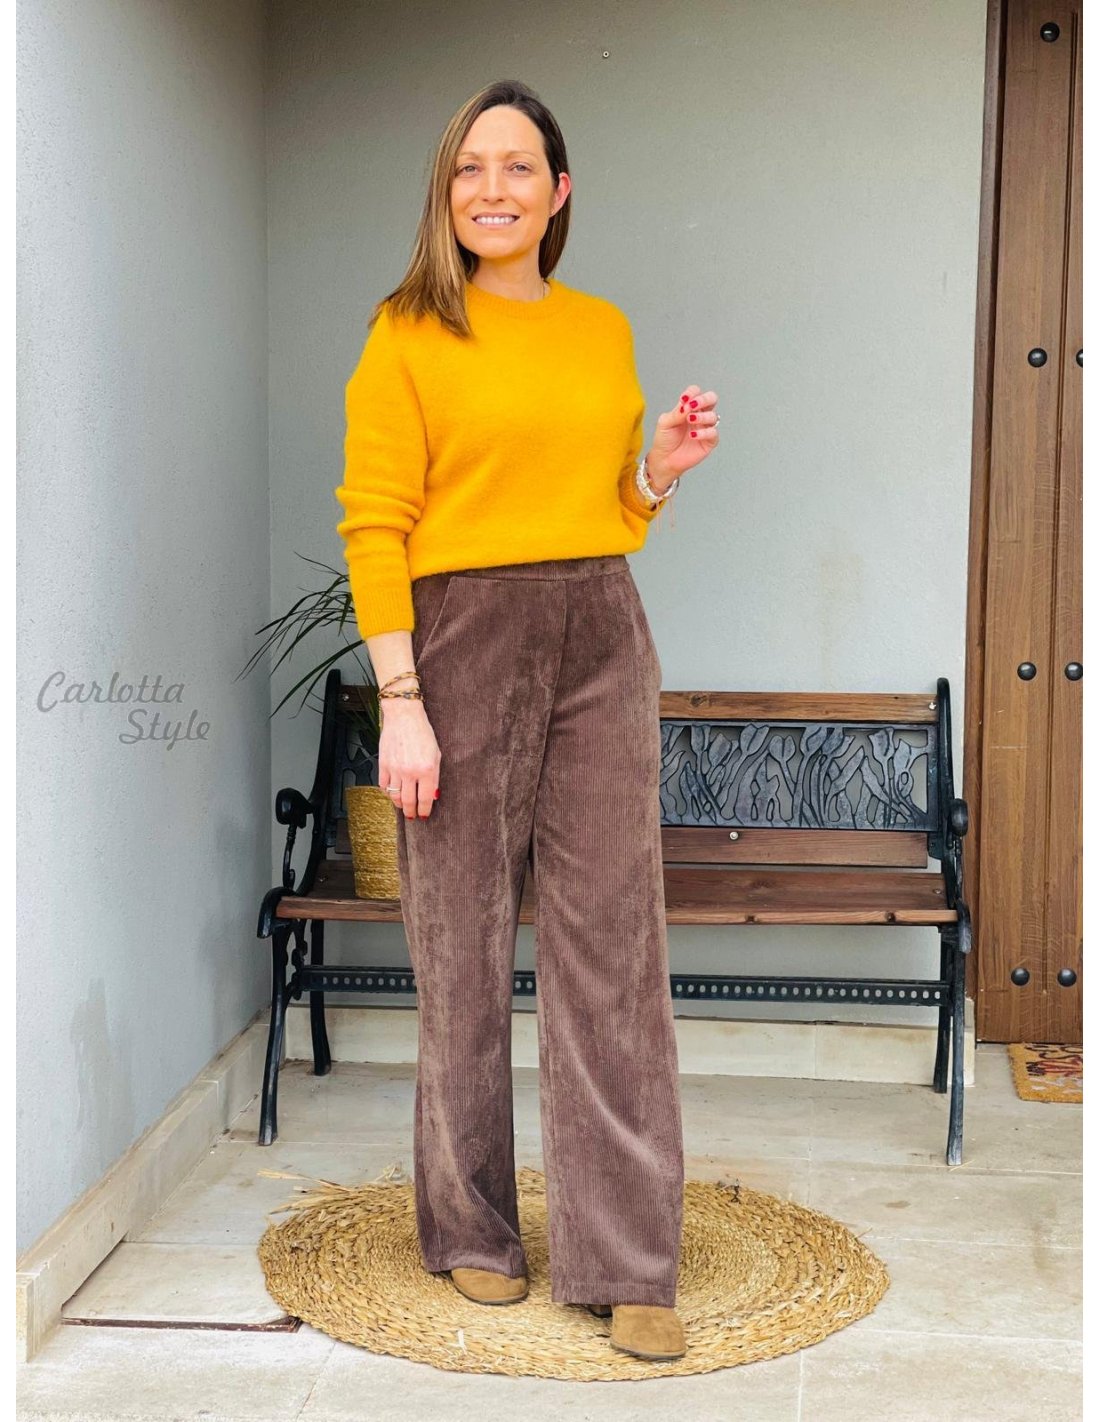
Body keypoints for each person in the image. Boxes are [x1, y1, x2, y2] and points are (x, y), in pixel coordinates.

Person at [335, 79, 720, 1363]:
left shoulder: (601, 329)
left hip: (600, 625)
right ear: (444, 194)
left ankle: (627, 1257)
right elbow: (375, 525)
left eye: (516, 167)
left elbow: (607, 511)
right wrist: (401, 704)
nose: (490, 188)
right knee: (457, 942)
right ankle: (470, 1227)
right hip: (458, 638)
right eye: (468, 168)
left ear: (557, 193)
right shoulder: (405, 333)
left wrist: (655, 472)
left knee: (613, 944)